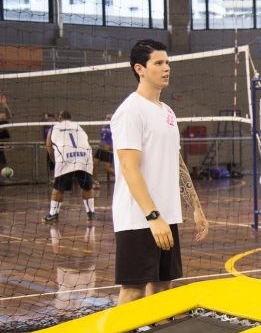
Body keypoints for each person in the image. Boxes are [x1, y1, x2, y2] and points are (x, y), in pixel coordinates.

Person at [111, 39, 209, 305]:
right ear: (140, 69)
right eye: (159, 63)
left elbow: (176, 162)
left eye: (167, 62)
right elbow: (129, 167)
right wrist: (152, 216)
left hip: (167, 216)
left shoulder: (167, 112)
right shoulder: (130, 111)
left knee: (163, 286)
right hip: (139, 218)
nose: (166, 68)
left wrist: (195, 206)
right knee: (133, 291)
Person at [43, 111, 96, 223]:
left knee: (58, 188)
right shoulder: (79, 127)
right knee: (87, 187)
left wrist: (56, 162)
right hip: (84, 158)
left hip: (66, 158)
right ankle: (91, 213)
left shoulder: (54, 128)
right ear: (71, 118)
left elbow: (49, 148)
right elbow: (86, 142)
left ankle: (53, 214)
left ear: (59, 118)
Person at [92, 113, 114, 188]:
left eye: (109, 118)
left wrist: (111, 147)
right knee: (94, 164)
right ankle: (95, 182)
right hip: (100, 150)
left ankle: (122, 178)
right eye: (106, 118)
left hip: (108, 151)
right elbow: (103, 137)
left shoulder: (114, 127)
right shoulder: (103, 126)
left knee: (107, 169)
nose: (107, 119)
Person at [41, 112, 57, 182]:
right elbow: (44, 138)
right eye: (48, 119)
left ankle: (57, 178)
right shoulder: (45, 128)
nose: (48, 120)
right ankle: (51, 179)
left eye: (50, 119)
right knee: (50, 164)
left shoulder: (57, 126)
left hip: (57, 149)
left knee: (58, 163)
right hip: (50, 148)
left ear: (53, 119)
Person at [0, 94, 12, 169]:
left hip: (2, 142)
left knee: (2, 162)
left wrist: (4, 104)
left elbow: (9, 116)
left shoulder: (1, 116)